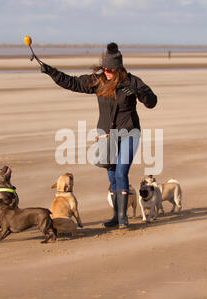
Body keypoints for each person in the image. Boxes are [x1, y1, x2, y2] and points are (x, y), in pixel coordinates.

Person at [40, 42, 157, 229]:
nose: (107, 72)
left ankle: (123, 218)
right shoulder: (99, 80)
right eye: (104, 68)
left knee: (121, 172)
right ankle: (116, 216)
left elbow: (152, 102)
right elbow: (73, 83)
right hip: (107, 137)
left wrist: (139, 93)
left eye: (110, 69)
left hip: (129, 133)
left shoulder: (132, 81)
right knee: (112, 177)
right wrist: (51, 72)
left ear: (118, 69)